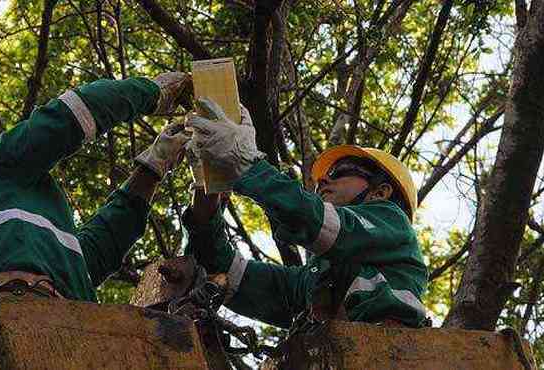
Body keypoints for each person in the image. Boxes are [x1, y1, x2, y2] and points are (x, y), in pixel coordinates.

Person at [0, 73, 192, 311]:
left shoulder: (2, 239)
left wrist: (155, 164)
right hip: (27, 311)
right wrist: (154, 91)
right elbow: (69, 116)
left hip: (58, 317)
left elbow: (100, 248)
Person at [182, 99, 428, 329]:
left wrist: (245, 161)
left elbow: (320, 222)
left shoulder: (392, 223)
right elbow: (222, 270)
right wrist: (207, 186)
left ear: (380, 193)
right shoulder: (312, 282)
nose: (323, 180)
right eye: (320, 180)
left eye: (340, 171)